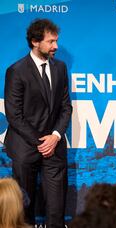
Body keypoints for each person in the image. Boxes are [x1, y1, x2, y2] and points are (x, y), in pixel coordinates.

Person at [4, 18, 72, 227]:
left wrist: (55, 136)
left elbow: (65, 107)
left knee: (56, 209)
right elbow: (14, 115)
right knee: (24, 210)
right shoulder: (16, 71)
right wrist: (42, 141)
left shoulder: (60, 68)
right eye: (51, 42)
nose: (56, 46)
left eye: (56, 41)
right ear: (35, 42)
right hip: (25, 148)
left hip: (54, 147)